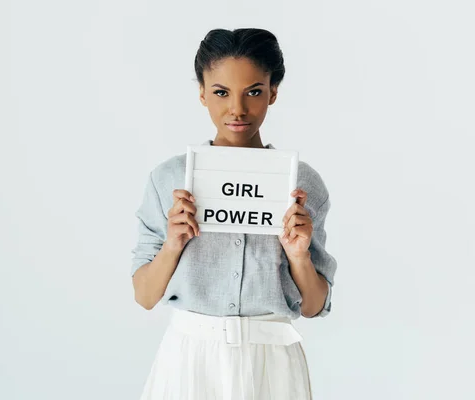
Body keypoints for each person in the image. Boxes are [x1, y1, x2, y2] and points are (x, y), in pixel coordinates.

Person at [130, 28, 337, 400]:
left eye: (254, 92)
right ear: (202, 93)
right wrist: (173, 244)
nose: (237, 109)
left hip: (272, 363)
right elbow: (144, 295)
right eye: (221, 92)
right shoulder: (168, 179)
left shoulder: (303, 184)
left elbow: (314, 305)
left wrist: (299, 256)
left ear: (273, 92)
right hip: (189, 359)